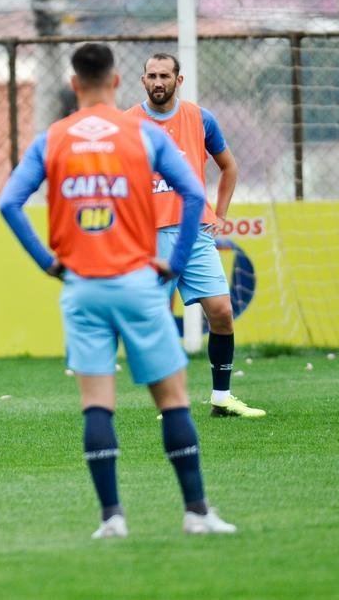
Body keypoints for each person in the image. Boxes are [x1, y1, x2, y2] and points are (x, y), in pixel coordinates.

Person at [0, 43, 236, 538]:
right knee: (171, 399)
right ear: (115, 83)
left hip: (81, 287)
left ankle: (112, 520)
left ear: (73, 84)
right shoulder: (141, 132)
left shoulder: (53, 138)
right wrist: (171, 262)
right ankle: (196, 512)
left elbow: (9, 204)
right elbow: (194, 192)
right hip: (137, 283)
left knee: (97, 403)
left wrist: (48, 262)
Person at [126, 53, 264, 418]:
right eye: (152, 75)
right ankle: (168, 402)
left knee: (221, 313)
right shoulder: (126, 124)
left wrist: (219, 214)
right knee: (156, 320)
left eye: (165, 76)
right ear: (143, 81)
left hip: (196, 233)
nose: (158, 82)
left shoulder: (200, 119)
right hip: (149, 238)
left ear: (178, 80)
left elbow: (229, 166)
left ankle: (221, 397)